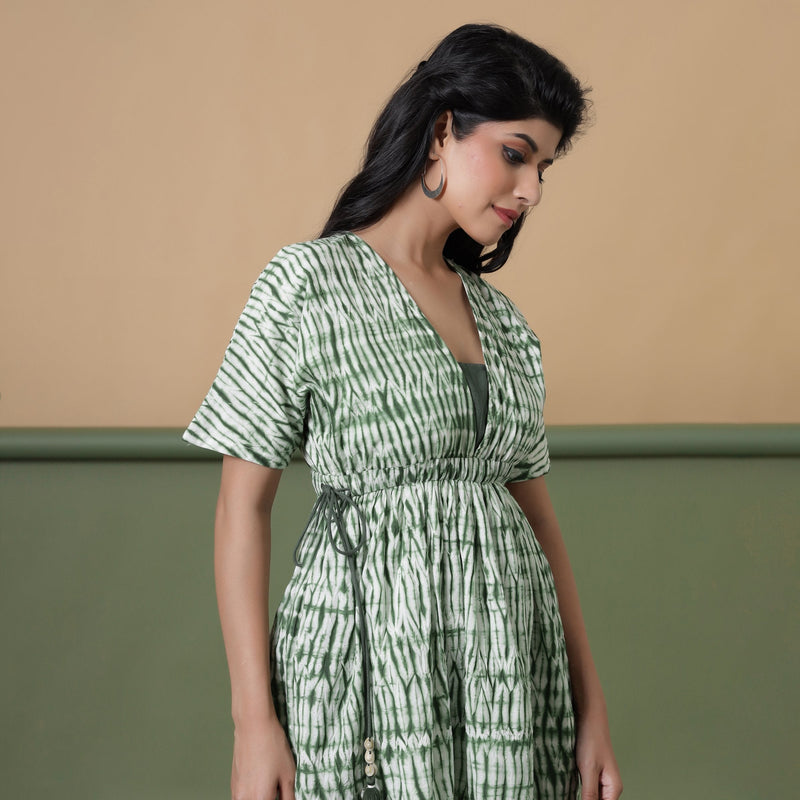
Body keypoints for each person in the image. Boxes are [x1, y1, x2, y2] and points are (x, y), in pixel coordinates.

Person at [184, 22, 622, 800]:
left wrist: (594, 712)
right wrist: (254, 724)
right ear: (443, 131)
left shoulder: (507, 327)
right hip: (362, 668)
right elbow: (239, 511)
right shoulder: (306, 285)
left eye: (545, 167)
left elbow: (542, 528)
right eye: (516, 154)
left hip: (507, 684)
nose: (532, 191)